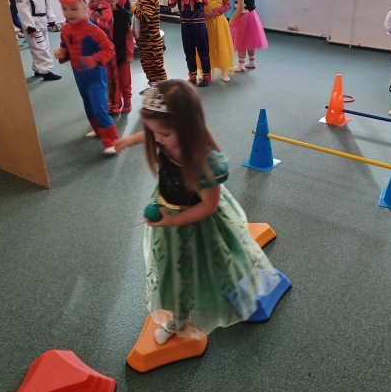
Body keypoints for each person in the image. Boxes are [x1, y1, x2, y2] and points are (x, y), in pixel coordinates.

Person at [114, 79, 282, 344]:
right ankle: (180, 317)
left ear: (187, 129)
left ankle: (187, 315)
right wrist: (130, 139)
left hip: (197, 225)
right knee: (171, 269)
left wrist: (173, 221)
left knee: (196, 272)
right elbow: (152, 134)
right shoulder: (164, 136)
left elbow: (208, 206)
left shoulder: (204, 161)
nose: (157, 140)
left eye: (164, 134)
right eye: (153, 132)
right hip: (170, 216)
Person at [53, 0, 119, 154]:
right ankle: (98, 130)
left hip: (96, 74)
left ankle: (113, 141)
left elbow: (110, 50)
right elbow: (66, 47)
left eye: (74, 9)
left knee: (99, 106)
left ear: (85, 8)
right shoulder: (65, 29)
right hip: (79, 74)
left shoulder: (93, 30)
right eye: (65, 8)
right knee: (88, 104)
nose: (69, 13)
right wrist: (62, 53)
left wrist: (95, 59)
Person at [76, 0, 121, 115]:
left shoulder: (104, 6)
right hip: (88, 51)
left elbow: (103, 24)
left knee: (110, 78)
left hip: (105, 50)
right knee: (94, 80)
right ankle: (100, 105)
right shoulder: (82, 5)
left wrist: (86, 12)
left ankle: (114, 105)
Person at [14, 0, 61, 81]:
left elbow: (47, 5)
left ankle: (38, 68)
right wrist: (30, 26)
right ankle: (46, 71)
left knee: (45, 45)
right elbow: (23, 9)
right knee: (39, 47)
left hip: (43, 20)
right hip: (32, 23)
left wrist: (51, 20)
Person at [168, 0, 211, 87]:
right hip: (185, 25)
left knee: (203, 50)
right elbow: (170, 3)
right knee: (188, 51)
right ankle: (192, 75)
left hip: (199, 25)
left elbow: (205, 1)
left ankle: (207, 75)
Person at [197, 0, 235, 81]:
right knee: (205, 46)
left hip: (218, 22)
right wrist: (202, 13)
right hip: (204, 22)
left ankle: (224, 71)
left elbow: (228, 5)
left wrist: (213, 13)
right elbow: (196, 4)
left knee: (221, 45)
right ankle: (207, 70)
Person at [131, 0, 167, 85]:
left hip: (151, 42)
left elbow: (145, 17)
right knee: (149, 68)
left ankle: (163, 89)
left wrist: (134, 8)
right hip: (145, 42)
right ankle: (153, 87)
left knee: (156, 68)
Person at [229, 0, 267, 72]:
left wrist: (232, 19)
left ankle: (241, 65)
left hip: (243, 18)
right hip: (252, 16)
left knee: (241, 41)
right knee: (250, 40)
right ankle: (252, 62)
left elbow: (240, 7)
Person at [103, 0, 134, 113]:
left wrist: (129, 53)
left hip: (122, 53)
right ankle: (115, 102)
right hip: (108, 55)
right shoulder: (99, 14)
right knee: (111, 81)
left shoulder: (122, 14)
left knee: (125, 80)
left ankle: (127, 101)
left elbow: (128, 35)